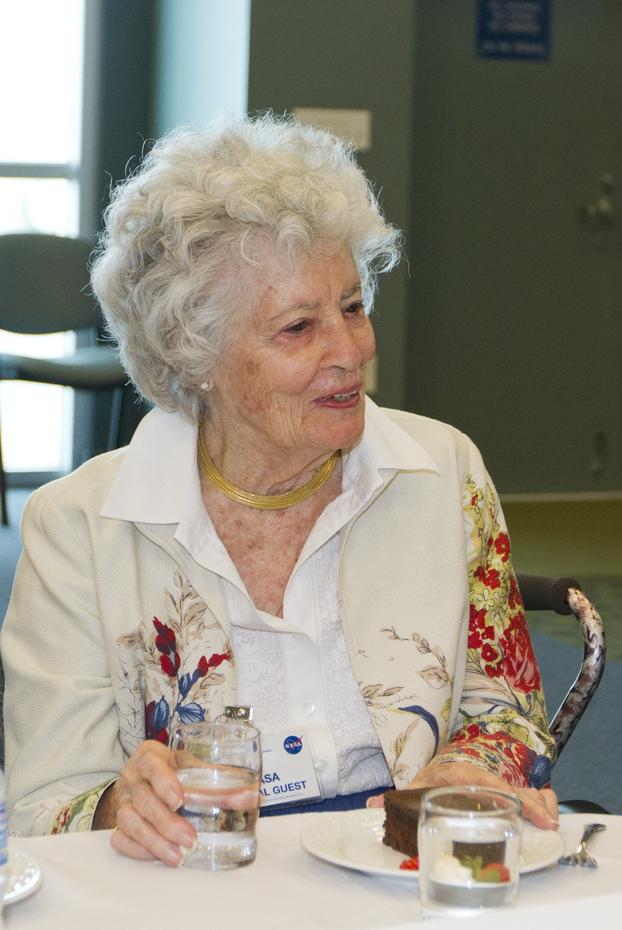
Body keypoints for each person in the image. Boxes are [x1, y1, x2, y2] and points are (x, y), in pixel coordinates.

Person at [0, 114, 559, 866]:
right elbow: (43, 803)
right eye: (299, 327)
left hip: (398, 876)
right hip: (193, 882)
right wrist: (117, 805)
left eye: (353, 307)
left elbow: (511, 715)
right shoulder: (77, 526)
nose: (351, 349)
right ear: (193, 352)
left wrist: (475, 767)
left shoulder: (442, 471)